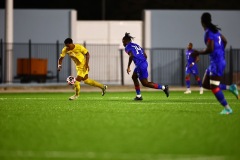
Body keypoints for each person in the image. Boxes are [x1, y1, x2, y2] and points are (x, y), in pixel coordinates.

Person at [191, 12, 239, 114]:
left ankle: (227, 108)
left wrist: (198, 53)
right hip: (216, 61)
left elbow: (210, 48)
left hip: (217, 63)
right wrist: (220, 53)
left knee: (214, 87)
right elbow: (225, 41)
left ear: (202, 22)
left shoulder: (208, 32)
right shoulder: (215, 31)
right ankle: (230, 87)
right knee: (205, 84)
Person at [122, 32, 169, 100]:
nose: (123, 43)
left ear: (126, 41)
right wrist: (142, 62)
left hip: (140, 65)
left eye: (123, 42)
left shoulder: (127, 47)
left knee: (145, 83)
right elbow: (145, 55)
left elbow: (131, 55)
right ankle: (139, 96)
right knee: (134, 77)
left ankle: (164, 87)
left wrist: (128, 66)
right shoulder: (136, 45)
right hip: (143, 63)